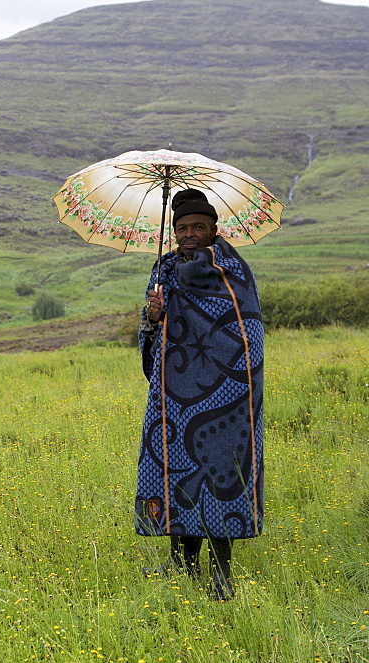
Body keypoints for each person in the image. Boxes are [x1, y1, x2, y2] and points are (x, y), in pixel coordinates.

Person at [135, 188, 264, 600]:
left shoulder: (232, 269)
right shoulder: (164, 269)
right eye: (182, 228)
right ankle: (183, 564)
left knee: (222, 474)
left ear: (213, 230)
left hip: (227, 395)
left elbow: (248, 332)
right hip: (175, 393)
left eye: (198, 227)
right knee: (177, 472)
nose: (189, 234)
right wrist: (154, 316)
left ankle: (222, 571)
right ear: (173, 232)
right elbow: (153, 332)